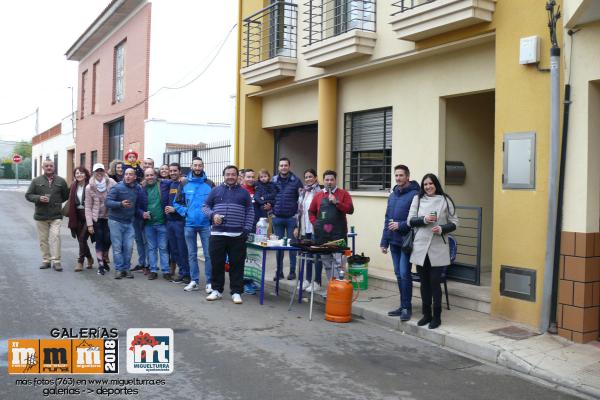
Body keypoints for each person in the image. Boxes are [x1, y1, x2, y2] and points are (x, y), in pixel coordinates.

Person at [407, 173, 459, 330]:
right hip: (421, 246)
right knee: (424, 283)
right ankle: (426, 314)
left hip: (438, 246)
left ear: (436, 184)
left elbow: (455, 222)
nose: (428, 187)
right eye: (425, 184)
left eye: (431, 184)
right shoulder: (417, 199)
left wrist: (442, 228)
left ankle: (437, 316)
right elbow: (410, 221)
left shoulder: (445, 199)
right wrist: (424, 219)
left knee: (435, 283)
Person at [202, 165, 254, 304]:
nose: (230, 176)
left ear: (238, 176)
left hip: (237, 236)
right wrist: (213, 215)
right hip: (217, 234)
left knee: (237, 265)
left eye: (233, 174)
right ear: (224, 176)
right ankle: (216, 290)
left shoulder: (244, 193)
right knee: (217, 263)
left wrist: (247, 229)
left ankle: (236, 292)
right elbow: (205, 207)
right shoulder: (215, 190)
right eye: (228, 174)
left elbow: (250, 211)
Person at [380, 165, 420, 321]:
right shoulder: (393, 195)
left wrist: (400, 225)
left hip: (406, 242)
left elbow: (416, 219)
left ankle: (406, 308)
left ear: (408, 176)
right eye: (396, 175)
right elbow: (387, 219)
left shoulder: (415, 195)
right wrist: (384, 241)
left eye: (401, 175)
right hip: (393, 241)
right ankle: (402, 305)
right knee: (398, 274)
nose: (398, 178)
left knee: (404, 274)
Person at [174, 157, 214, 293]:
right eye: (195, 165)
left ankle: (209, 282)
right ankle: (194, 281)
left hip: (205, 225)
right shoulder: (184, 183)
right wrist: (186, 212)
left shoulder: (210, 184)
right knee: (192, 254)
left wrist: (211, 215)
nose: (197, 168)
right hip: (189, 224)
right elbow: (176, 202)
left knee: (208, 254)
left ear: (203, 167)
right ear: (191, 167)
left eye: (200, 165)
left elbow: (215, 203)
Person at [308, 170, 354, 289]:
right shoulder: (318, 195)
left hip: (338, 235)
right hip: (322, 236)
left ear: (335, 180)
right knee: (327, 263)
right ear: (323, 181)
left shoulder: (343, 194)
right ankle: (332, 288)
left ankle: (340, 288)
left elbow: (350, 209)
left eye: (331, 180)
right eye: (327, 180)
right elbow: (311, 211)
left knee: (339, 263)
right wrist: (315, 223)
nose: (329, 182)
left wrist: (336, 202)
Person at [25, 159, 70, 271]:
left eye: (51, 166)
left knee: (55, 237)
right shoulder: (36, 181)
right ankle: (46, 260)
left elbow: (65, 195)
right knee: (43, 239)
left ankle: (56, 261)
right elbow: (28, 195)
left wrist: (56, 202)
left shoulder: (61, 181)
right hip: (41, 215)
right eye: (46, 166)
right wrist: (39, 198)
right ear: (43, 167)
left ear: (54, 167)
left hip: (56, 215)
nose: (49, 167)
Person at [105, 168, 144, 279]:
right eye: (126, 174)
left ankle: (126, 268)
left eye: (130, 174)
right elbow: (107, 202)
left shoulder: (137, 188)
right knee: (117, 247)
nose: (127, 176)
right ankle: (119, 269)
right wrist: (120, 204)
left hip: (129, 222)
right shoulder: (117, 187)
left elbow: (138, 204)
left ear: (135, 177)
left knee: (129, 247)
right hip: (115, 221)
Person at [272, 157, 303, 280]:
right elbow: (269, 197)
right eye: (281, 165)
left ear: (289, 167)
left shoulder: (296, 181)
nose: (283, 167)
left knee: (292, 246)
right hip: (277, 218)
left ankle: (292, 271)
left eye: (286, 165)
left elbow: (301, 200)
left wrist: (297, 217)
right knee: (278, 246)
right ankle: (279, 272)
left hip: (291, 219)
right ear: (278, 167)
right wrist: (271, 213)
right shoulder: (273, 180)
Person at [139, 168, 172, 281]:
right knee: (152, 248)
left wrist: (184, 178)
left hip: (162, 222)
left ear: (155, 175)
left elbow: (175, 179)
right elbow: (137, 207)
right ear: (144, 177)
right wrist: (142, 213)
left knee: (163, 248)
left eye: (151, 175)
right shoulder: (142, 188)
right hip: (148, 224)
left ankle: (166, 271)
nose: (149, 177)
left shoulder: (164, 184)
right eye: (147, 175)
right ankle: (153, 270)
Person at [85, 163, 117, 275]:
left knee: (108, 240)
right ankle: (101, 266)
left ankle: (103, 258)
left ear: (104, 171)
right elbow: (88, 207)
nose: (99, 172)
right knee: (99, 241)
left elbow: (119, 193)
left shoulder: (111, 182)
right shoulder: (89, 187)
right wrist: (89, 224)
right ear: (93, 172)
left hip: (110, 217)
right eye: (97, 171)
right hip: (97, 218)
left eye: (101, 170)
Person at [294, 168, 322, 292]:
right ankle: (307, 279)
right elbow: (299, 211)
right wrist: (297, 227)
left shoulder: (320, 192)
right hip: (305, 228)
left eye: (311, 176)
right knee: (307, 255)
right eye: (306, 177)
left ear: (315, 177)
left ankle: (317, 282)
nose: (308, 179)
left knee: (317, 256)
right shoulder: (303, 192)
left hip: (316, 228)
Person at [165, 163, 190, 284]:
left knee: (182, 249)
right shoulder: (170, 183)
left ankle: (186, 274)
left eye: (175, 170)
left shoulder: (184, 183)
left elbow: (188, 202)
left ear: (180, 171)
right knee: (174, 249)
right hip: (169, 222)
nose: (173, 172)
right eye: (171, 171)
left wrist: (176, 210)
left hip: (180, 221)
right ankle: (182, 272)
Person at [66, 166, 94, 272]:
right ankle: (90, 258)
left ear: (86, 174)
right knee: (80, 240)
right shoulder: (73, 185)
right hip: (76, 215)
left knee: (82, 238)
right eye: (77, 173)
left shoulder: (90, 185)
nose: (79, 175)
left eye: (81, 173)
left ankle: (80, 261)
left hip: (88, 215)